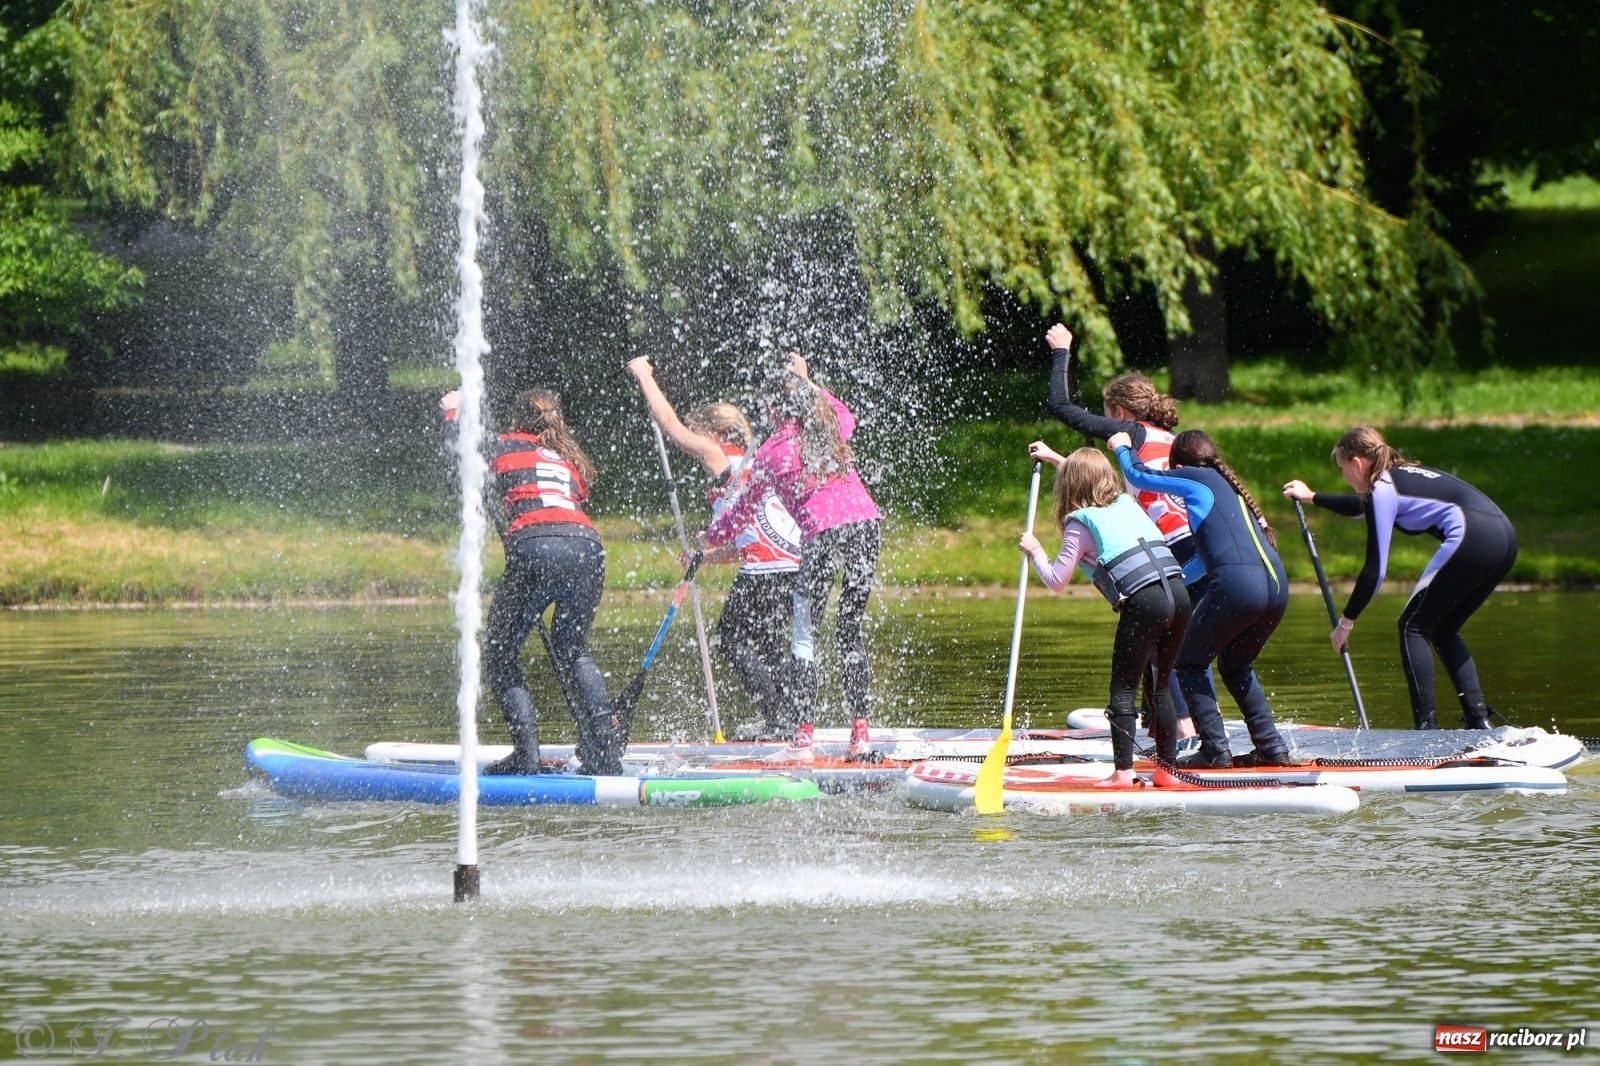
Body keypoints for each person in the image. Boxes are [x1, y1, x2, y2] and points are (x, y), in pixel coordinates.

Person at [1030, 321, 1206, 738]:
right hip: (1200, 547)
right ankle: (1179, 724)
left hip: (1173, 551)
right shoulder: (1169, 437)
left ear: (1121, 415)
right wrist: (1062, 461)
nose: (1103, 426)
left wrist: (1062, 353)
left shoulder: (1132, 432)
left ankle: (1181, 729)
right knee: (1174, 644)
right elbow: (1105, 484)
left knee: (1156, 639)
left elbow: (1063, 409)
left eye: (1106, 417)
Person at [702, 354, 881, 759]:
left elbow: (740, 513)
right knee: (849, 628)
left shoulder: (768, 453)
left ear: (772, 410)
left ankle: (802, 740)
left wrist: (707, 539)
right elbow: (842, 410)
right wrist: (808, 379)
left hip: (824, 533)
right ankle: (860, 735)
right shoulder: (833, 428)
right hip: (868, 526)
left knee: (804, 637)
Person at [1283, 427, 1517, 730]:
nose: (1344, 478)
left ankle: (1425, 730)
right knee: (1443, 628)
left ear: (1357, 463)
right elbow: (1362, 507)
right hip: (1505, 538)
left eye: (1343, 469)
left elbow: (1375, 570)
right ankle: (1478, 720)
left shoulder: (1383, 487)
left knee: (1412, 626)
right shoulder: (1399, 475)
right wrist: (1312, 497)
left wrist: (1346, 622)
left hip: (1473, 537)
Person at [442, 388, 622, 776]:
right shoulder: (569, 459)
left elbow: (462, 456)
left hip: (535, 546)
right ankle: (605, 753)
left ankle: (526, 755)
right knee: (574, 649)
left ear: (515, 421)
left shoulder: (505, 445)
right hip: (588, 548)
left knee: (502, 652)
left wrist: (454, 411)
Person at [626, 356, 804, 736]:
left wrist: (644, 376)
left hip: (769, 567)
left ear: (716, 435)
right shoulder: (753, 460)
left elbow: (671, 427)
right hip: (791, 561)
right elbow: (748, 541)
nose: (698, 443)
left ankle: (780, 720)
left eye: (701, 434)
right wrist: (706, 556)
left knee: (731, 637)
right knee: (770, 643)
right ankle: (790, 721)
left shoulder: (718, 456)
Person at [1110, 428, 1292, 767]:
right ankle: (1273, 748)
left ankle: (1215, 751)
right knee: (1235, 665)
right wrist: (1168, 581)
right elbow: (1199, 564)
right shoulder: (1232, 490)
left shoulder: (1195, 477)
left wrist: (1122, 448)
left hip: (1241, 585)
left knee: (1188, 661)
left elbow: (1140, 475)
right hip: (1277, 586)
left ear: (1178, 464)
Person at [1018, 447, 1191, 787]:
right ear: (1106, 478)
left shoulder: (1079, 525)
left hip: (1146, 601)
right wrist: (1056, 458)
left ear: (1068, 487)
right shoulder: (1127, 502)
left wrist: (1034, 550)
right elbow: (1085, 471)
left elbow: (1056, 580)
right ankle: (1167, 772)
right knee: (1161, 687)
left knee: (1123, 691)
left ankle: (1123, 775)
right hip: (1179, 595)